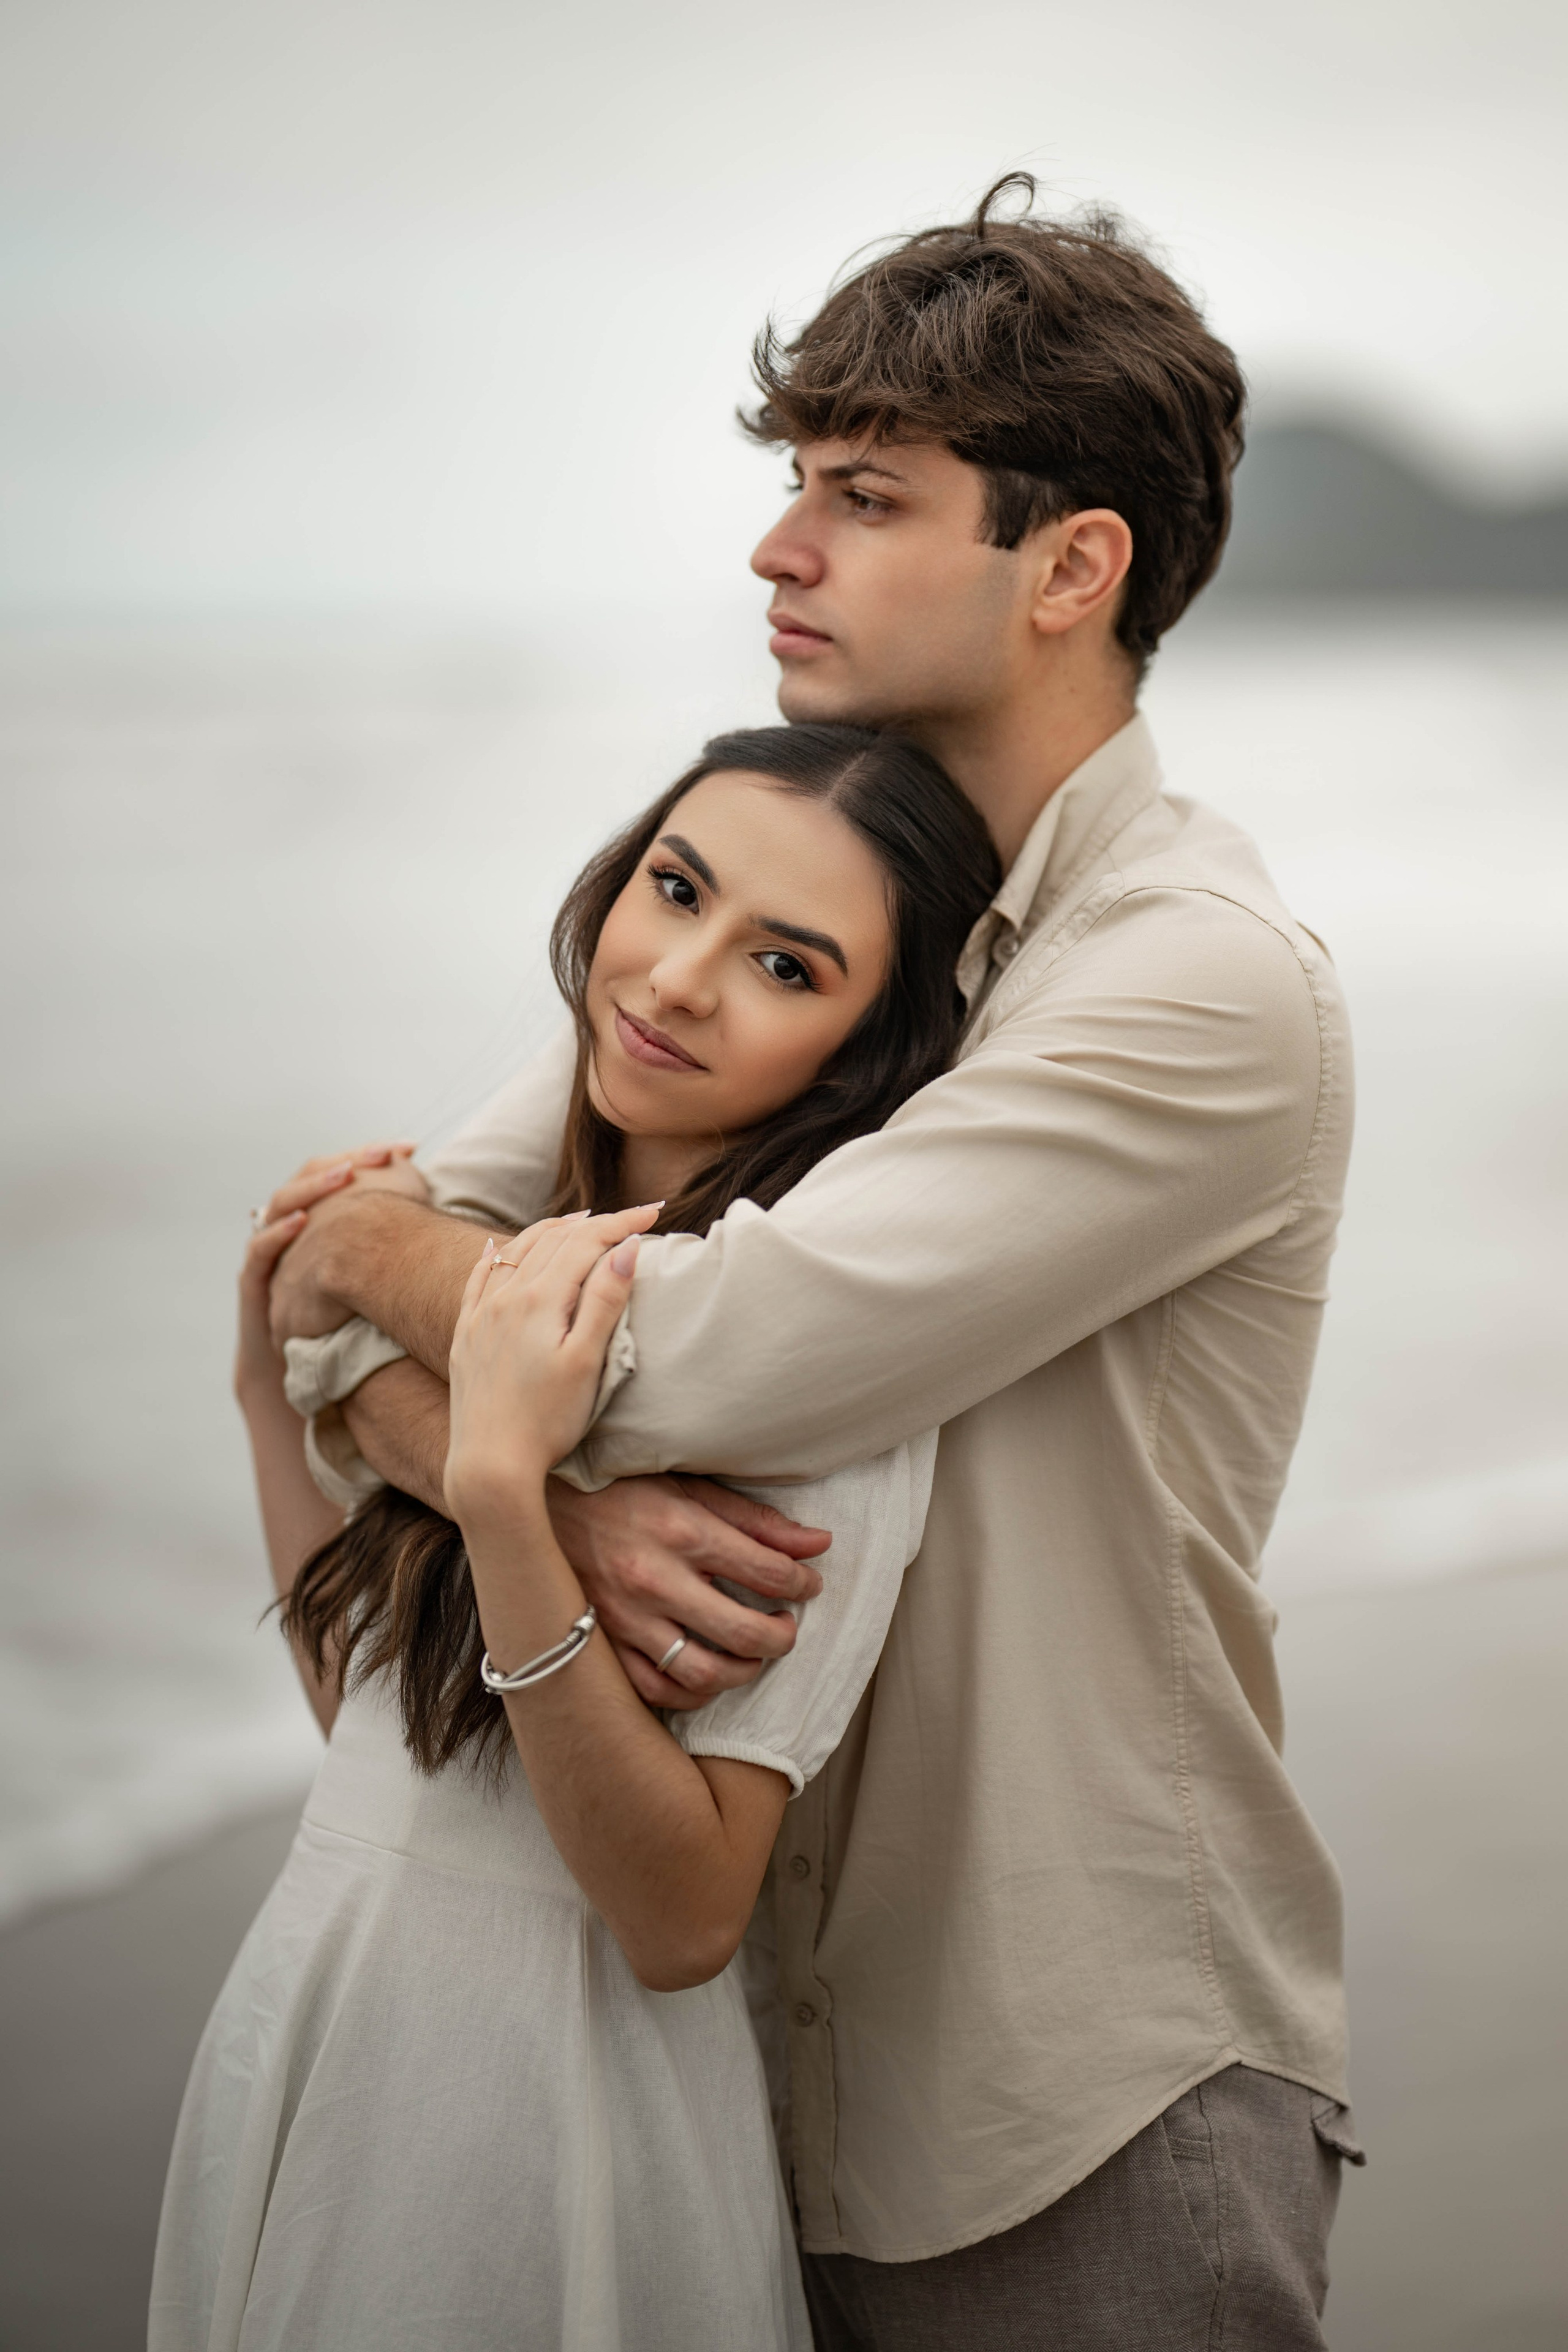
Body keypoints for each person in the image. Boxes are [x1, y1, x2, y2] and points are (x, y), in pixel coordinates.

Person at [264, 177, 1365, 2348]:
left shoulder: (1200, 985)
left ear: (1072, 566)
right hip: (723, 2070)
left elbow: (701, 1351)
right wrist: (472, 1410)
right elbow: (351, 1266)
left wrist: (484, 1412)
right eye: (796, 488)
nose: (780, 550)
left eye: (864, 497)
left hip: (1072, 2093)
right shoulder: (818, 900)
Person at [148, 726, 1001, 2352]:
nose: (677, 979)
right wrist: (274, 1392)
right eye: (674, 889)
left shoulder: (818, 1399)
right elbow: (378, 1741)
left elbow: (683, 1921)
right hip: (332, 2008)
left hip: (556, 2106)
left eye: (784, 965)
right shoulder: (500, 1256)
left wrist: (503, 1501)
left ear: (860, 1052)